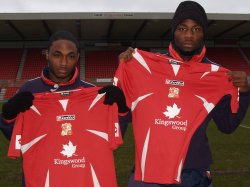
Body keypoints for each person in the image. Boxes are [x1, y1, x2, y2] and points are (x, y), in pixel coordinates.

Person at [118, 1, 250, 187]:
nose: (189, 35)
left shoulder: (217, 75)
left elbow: (227, 125)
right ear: (174, 31)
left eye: (196, 29)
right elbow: (126, 112)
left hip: (192, 174)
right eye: (182, 28)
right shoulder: (147, 68)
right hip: (148, 173)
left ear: (204, 33)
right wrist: (128, 70)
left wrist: (243, 94)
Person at [0, 30, 129, 187]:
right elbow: (18, 135)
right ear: (47, 55)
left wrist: (122, 110)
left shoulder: (93, 93)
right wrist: (8, 116)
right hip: (42, 178)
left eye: (70, 56)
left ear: (77, 58)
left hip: (82, 179)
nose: (63, 62)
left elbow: (113, 134)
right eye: (57, 55)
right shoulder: (30, 89)